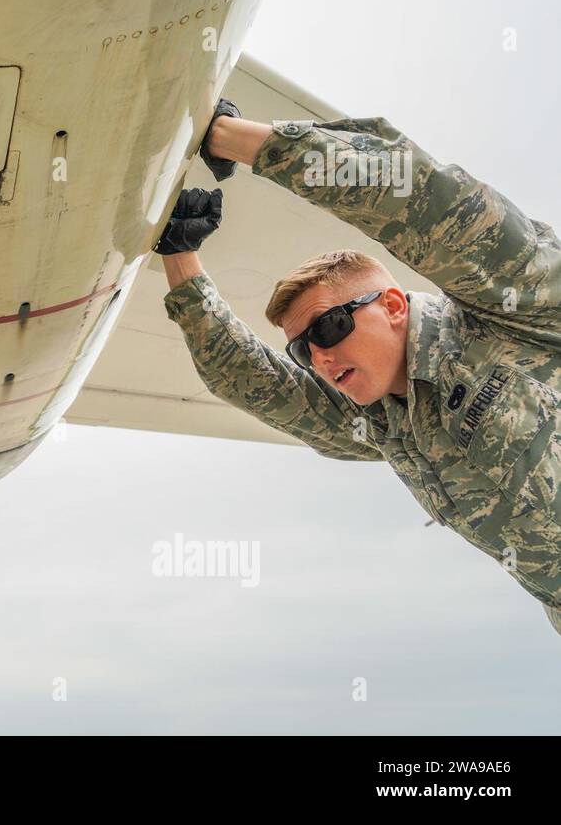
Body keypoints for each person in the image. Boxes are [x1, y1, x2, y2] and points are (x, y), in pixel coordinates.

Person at [156, 99, 561, 635]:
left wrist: (231, 138)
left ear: (392, 306)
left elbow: (427, 201)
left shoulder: (518, 318)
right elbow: (257, 385)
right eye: (304, 349)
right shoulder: (383, 424)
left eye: (327, 328)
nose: (320, 358)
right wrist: (180, 256)